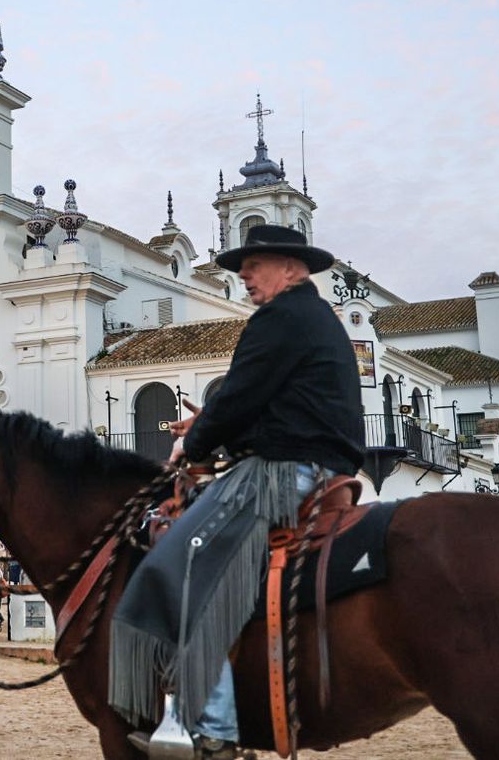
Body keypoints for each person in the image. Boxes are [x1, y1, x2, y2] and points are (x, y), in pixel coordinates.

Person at [111, 225, 363, 760]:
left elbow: (240, 398)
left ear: (292, 268)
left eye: (255, 264)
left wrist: (195, 446)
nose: (243, 274)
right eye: (241, 267)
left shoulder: (279, 318)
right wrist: (220, 428)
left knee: (181, 564)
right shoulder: (315, 320)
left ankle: (213, 730)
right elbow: (277, 410)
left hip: (284, 473)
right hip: (313, 462)